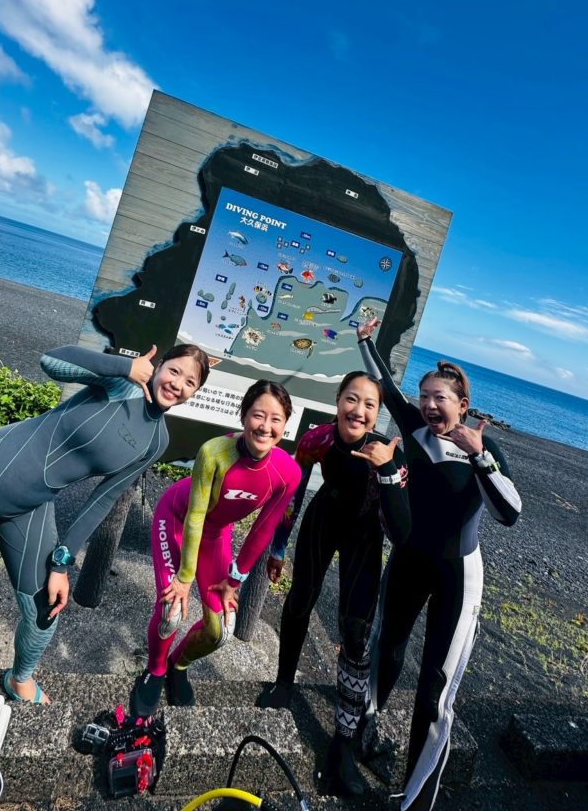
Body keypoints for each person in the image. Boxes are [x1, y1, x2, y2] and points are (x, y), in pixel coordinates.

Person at [0, 342, 209, 704]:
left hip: (30, 506)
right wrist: (124, 367)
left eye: (190, 382)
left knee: (46, 608)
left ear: (195, 393)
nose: (177, 384)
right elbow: (52, 360)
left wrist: (62, 563)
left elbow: (103, 499)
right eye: (174, 370)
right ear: (159, 365)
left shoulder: (156, 441)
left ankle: (20, 680)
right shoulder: (119, 385)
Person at [357, 318, 521, 811]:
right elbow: (385, 387)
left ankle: (415, 797)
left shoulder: (483, 448)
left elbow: (509, 513)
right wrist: (365, 340)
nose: (429, 404)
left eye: (440, 398)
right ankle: (366, 729)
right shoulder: (414, 427)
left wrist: (480, 457)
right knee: (386, 650)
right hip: (409, 561)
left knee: (434, 689)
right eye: (425, 395)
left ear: (462, 406)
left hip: (458, 575)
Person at [256, 370, 408, 795]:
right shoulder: (317, 439)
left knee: (356, 632)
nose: (358, 410)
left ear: (378, 414)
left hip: (365, 536)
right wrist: (279, 547)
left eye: (370, 404)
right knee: (300, 600)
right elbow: (294, 493)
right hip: (323, 519)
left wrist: (389, 469)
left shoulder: (386, 454)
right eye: (351, 399)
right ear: (338, 400)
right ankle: (284, 683)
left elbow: (398, 525)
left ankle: (343, 741)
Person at [132, 380, 301, 717]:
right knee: (171, 611)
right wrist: (184, 578)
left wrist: (234, 581)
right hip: (177, 518)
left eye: (276, 419)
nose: (265, 427)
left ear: (285, 425)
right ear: (243, 416)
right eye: (258, 415)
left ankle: (178, 665)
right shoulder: (215, 452)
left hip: (215, 535)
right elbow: (195, 515)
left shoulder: (288, 473)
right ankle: (155, 670)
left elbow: (263, 529)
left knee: (220, 630)